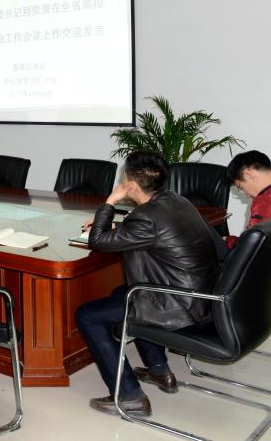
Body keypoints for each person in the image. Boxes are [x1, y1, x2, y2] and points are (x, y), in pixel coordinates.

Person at [75, 152, 219, 417]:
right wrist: (115, 226)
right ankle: (159, 370)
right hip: (201, 297)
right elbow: (152, 231)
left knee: (88, 315)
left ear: (130, 184)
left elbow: (98, 242)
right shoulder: (175, 200)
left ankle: (130, 396)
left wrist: (109, 202)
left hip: (181, 307)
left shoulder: (146, 217)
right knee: (122, 293)